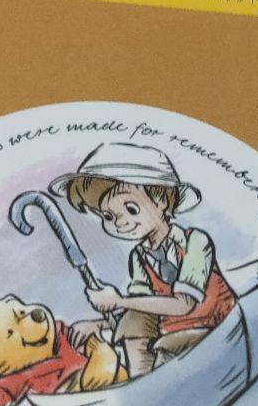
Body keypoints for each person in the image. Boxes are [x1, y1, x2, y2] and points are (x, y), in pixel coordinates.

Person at [50, 142, 236, 376]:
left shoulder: (195, 242)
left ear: (161, 201)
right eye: (108, 216)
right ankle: (140, 376)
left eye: (131, 208)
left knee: (162, 345)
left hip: (217, 328)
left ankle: (151, 378)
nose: (119, 222)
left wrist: (118, 301)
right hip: (170, 335)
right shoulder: (140, 256)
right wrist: (98, 324)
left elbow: (184, 304)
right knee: (135, 317)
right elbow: (140, 306)